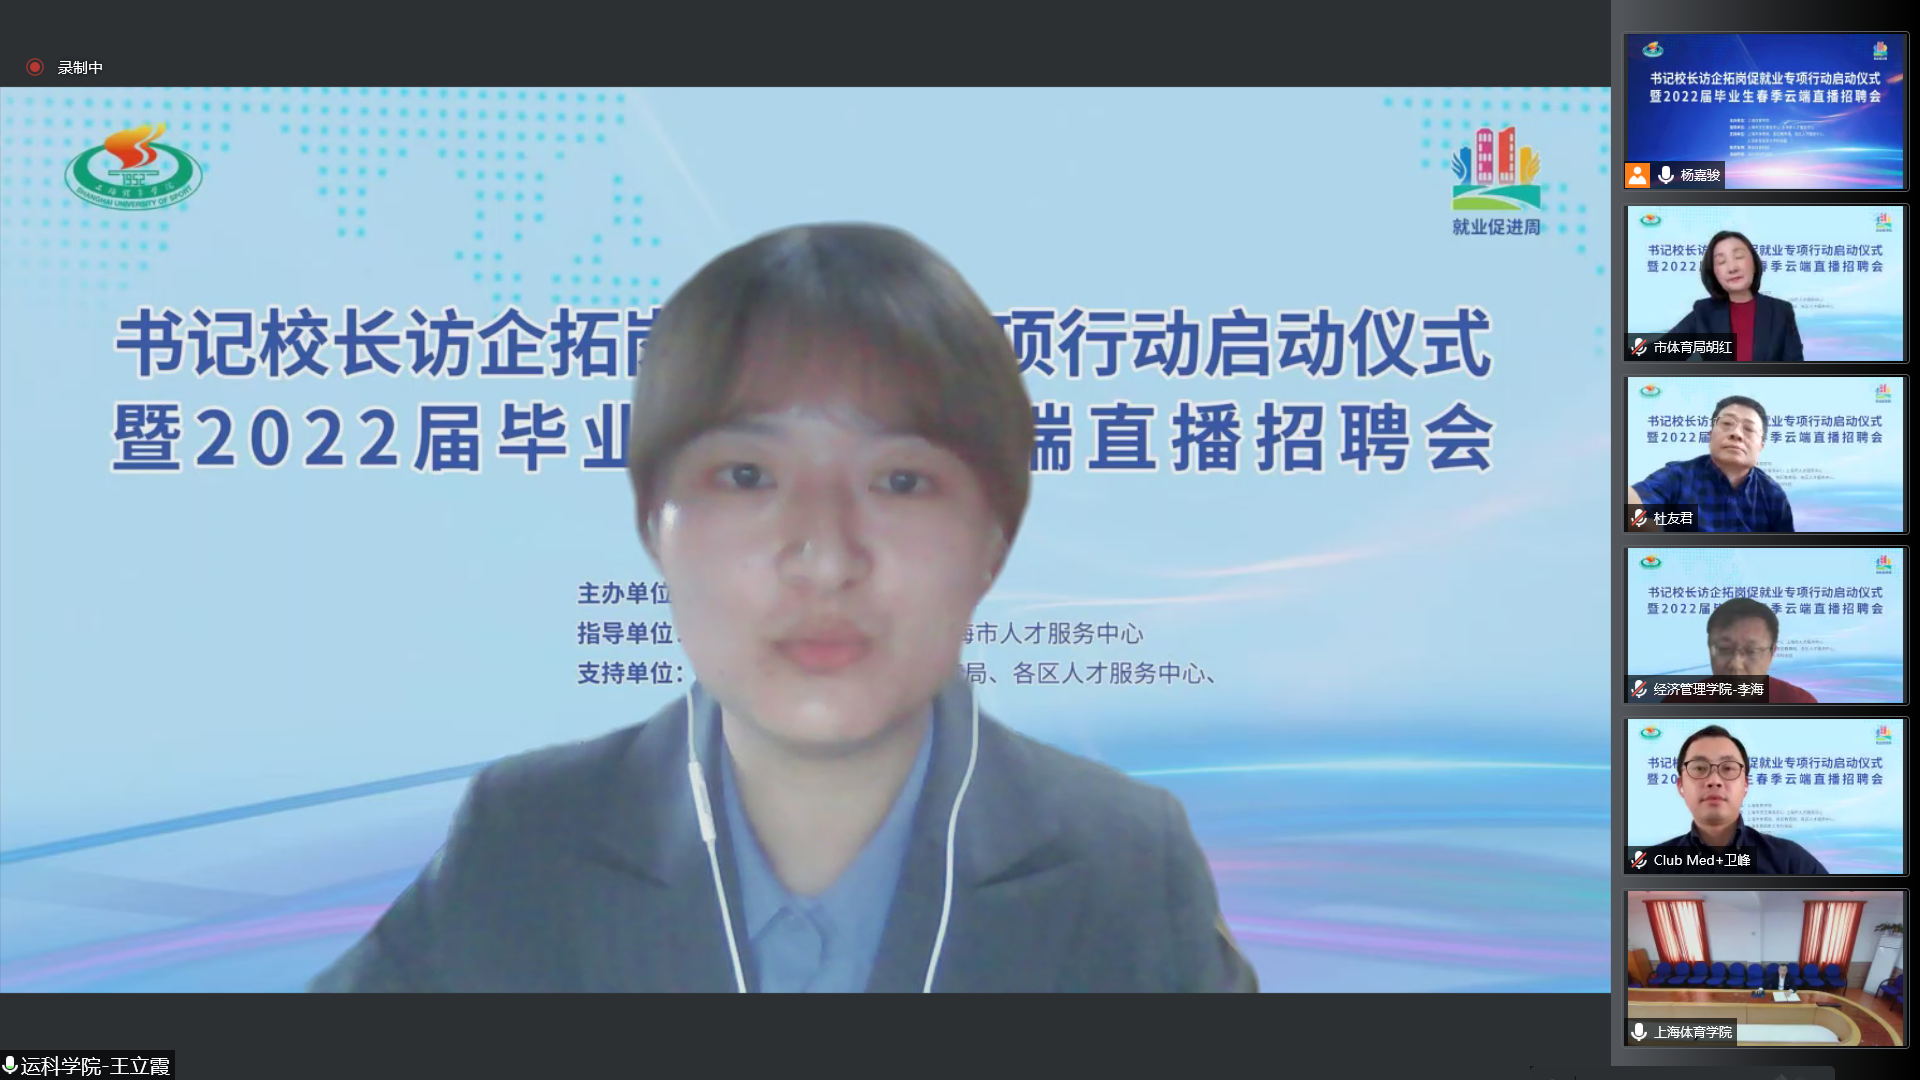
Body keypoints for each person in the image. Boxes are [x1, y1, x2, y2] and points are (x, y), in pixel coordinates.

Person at [308, 223, 1257, 993]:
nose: (825, 558)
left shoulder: (1125, 864)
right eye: (748, 475)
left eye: (900, 480)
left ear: (994, 540)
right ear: (654, 524)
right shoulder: (527, 838)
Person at [1644, 725, 1828, 874]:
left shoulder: (1791, 862)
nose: (1714, 780)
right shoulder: (1649, 866)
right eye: (1699, 768)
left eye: (1728, 768)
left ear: (1745, 785)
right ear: (1680, 786)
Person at [1627, 395, 1793, 532]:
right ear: (1710, 434)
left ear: (1761, 446)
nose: (1736, 434)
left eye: (1749, 429)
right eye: (1727, 423)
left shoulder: (1773, 495)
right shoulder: (1677, 476)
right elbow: (1630, 502)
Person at [1667, 230, 1804, 362]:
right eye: (1721, 262)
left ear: (1754, 262)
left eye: (1739, 257)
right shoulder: (1703, 313)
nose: (1732, 268)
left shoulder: (1781, 311)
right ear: (1714, 273)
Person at [1659, 597, 1818, 703]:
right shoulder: (1680, 701)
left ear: (1772, 653)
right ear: (1709, 648)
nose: (1736, 664)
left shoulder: (1797, 702)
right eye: (1724, 649)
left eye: (1751, 651)